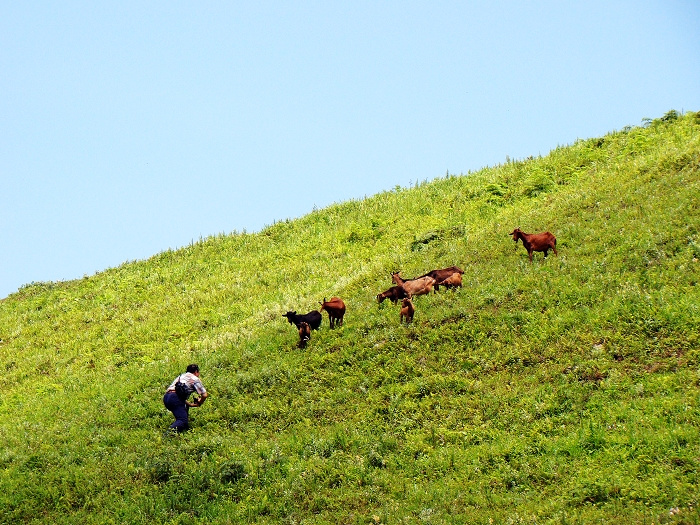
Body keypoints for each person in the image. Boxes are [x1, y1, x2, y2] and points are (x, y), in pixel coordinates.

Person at [163, 363, 208, 433]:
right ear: (196, 372)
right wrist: (199, 403)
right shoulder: (195, 379)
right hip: (175, 398)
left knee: (183, 414)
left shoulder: (181, 376)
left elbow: (179, 395)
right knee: (182, 420)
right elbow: (204, 395)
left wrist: (190, 404)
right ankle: (168, 434)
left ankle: (184, 428)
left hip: (167, 397)